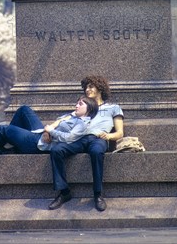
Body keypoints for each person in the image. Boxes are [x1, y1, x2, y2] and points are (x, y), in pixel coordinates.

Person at [49, 75, 124, 212]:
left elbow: (120, 133)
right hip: (79, 138)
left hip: (98, 139)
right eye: (86, 87)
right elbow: (63, 120)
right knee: (56, 150)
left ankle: (98, 195)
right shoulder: (84, 107)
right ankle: (64, 192)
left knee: (96, 152)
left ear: (100, 88)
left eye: (91, 86)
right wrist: (50, 128)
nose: (87, 90)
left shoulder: (113, 108)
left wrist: (108, 135)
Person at [0, 96, 98, 157]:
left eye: (81, 104)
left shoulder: (82, 124)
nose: (76, 105)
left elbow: (69, 138)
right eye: (77, 103)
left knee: (3, 129)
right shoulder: (74, 115)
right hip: (42, 134)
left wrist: (51, 131)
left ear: (89, 110)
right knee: (24, 110)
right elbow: (59, 120)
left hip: (38, 145)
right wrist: (48, 130)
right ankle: (8, 144)